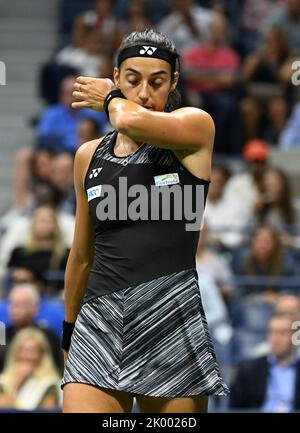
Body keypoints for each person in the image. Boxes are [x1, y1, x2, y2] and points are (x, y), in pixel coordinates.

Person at [61, 28, 229, 414]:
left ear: (174, 83)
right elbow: (82, 255)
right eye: (132, 80)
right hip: (98, 324)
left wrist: (111, 99)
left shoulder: (195, 128)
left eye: (157, 82)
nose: (143, 93)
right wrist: (70, 329)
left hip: (171, 318)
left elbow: (130, 120)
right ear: (117, 76)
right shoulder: (88, 156)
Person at [229, 314, 300, 412]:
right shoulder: (249, 369)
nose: (276, 339)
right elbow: (234, 408)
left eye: (282, 333)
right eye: (272, 332)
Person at [0, 327, 61, 410]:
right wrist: (16, 384)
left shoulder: (49, 384)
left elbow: (47, 409)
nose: (27, 356)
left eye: (32, 351)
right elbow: (3, 409)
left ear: (42, 355)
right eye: (22, 350)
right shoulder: (3, 381)